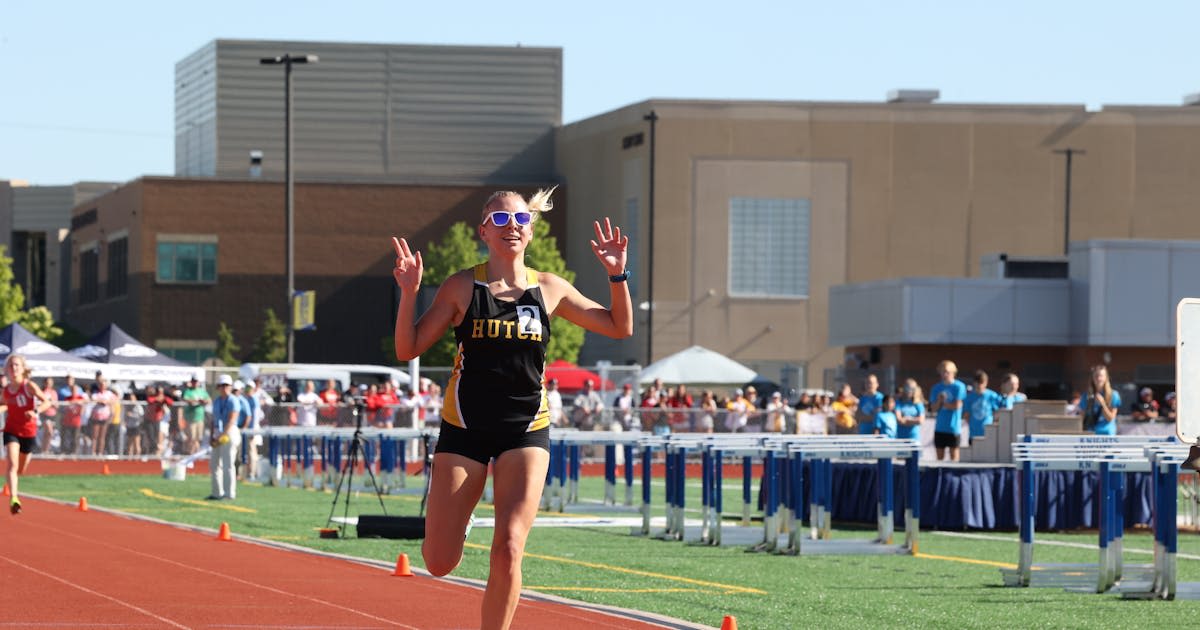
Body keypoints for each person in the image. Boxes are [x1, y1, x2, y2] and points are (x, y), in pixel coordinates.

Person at [390, 187, 631, 630]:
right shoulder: (463, 286)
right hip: (464, 428)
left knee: (509, 547)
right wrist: (409, 293)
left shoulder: (550, 288)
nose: (511, 228)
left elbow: (619, 326)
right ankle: (458, 521)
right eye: (500, 221)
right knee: (438, 562)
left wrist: (618, 277)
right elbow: (408, 347)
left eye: (520, 220)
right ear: (484, 230)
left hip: (526, 429)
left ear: (532, 228)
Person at [1, 354, 53, 514]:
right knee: (12, 465)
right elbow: (4, 405)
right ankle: (14, 498)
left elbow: (47, 402)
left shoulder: (29, 386)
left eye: (17, 365)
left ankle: (14, 486)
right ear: (7, 370)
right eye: (11, 366)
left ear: (23, 369)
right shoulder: (6, 391)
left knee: (21, 470)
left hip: (29, 432)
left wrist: (35, 411)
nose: (13, 368)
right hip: (11, 431)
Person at [207, 374, 243, 500]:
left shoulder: (233, 400)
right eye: (222, 385)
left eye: (226, 385)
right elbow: (213, 419)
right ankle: (216, 492)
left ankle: (229, 493)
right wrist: (212, 435)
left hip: (229, 431)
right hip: (218, 431)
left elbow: (232, 419)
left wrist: (223, 434)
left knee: (228, 463)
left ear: (230, 386)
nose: (224, 388)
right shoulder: (217, 401)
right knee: (214, 463)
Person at [929, 360, 968, 462]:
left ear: (953, 372)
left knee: (954, 458)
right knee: (939, 459)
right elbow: (933, 409)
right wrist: (939, 400)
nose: (944, 374)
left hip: (953, 428)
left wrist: (943, 403)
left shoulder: (959, 386)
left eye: (947, 371)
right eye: (942, 371)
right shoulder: (936, 388)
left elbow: (957, 405)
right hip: (940, 427)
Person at [963, 370, 1003, 445]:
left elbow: (998, 412)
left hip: (989, 434)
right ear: (974, 383)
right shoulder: (969, 397)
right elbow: (966, 415)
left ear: (986, 383)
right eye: (977, 383)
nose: (979, 385)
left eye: (981, 383)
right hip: (973, 434)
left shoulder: (992, 395)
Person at [1081, 365, 1121, 436]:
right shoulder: (1086, 396)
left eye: (1101, 376)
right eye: (1096, 376)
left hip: (1107, 435)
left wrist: (1102, 404)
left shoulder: (1114, 395)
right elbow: (1082, 418)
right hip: (1090, 435)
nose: (1099, 378)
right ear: (1092, 378)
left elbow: (1110, 418)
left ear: (1106, 377)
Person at [89, 373, 118, 456]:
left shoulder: (109, 393)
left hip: (105, 417)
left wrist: (107, 402)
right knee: (95, 435)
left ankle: (100, 452)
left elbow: (114, 400)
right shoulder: (96, 393)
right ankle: (93, 452)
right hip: (96, 417)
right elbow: (94, 399)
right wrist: (101, 402)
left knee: (102, 436)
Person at [180, 375, 209, 454]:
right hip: (190, 419)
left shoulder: (202, 391)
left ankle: (196, 454)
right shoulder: (188, 391)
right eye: (193, 381)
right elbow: (186, 399)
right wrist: (195, 401)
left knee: (198, 438)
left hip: (200, 418)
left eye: (196, 381)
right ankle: (191, 453)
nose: (195, 383)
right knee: (191, 438)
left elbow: (208, 400)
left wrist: (203, 401)